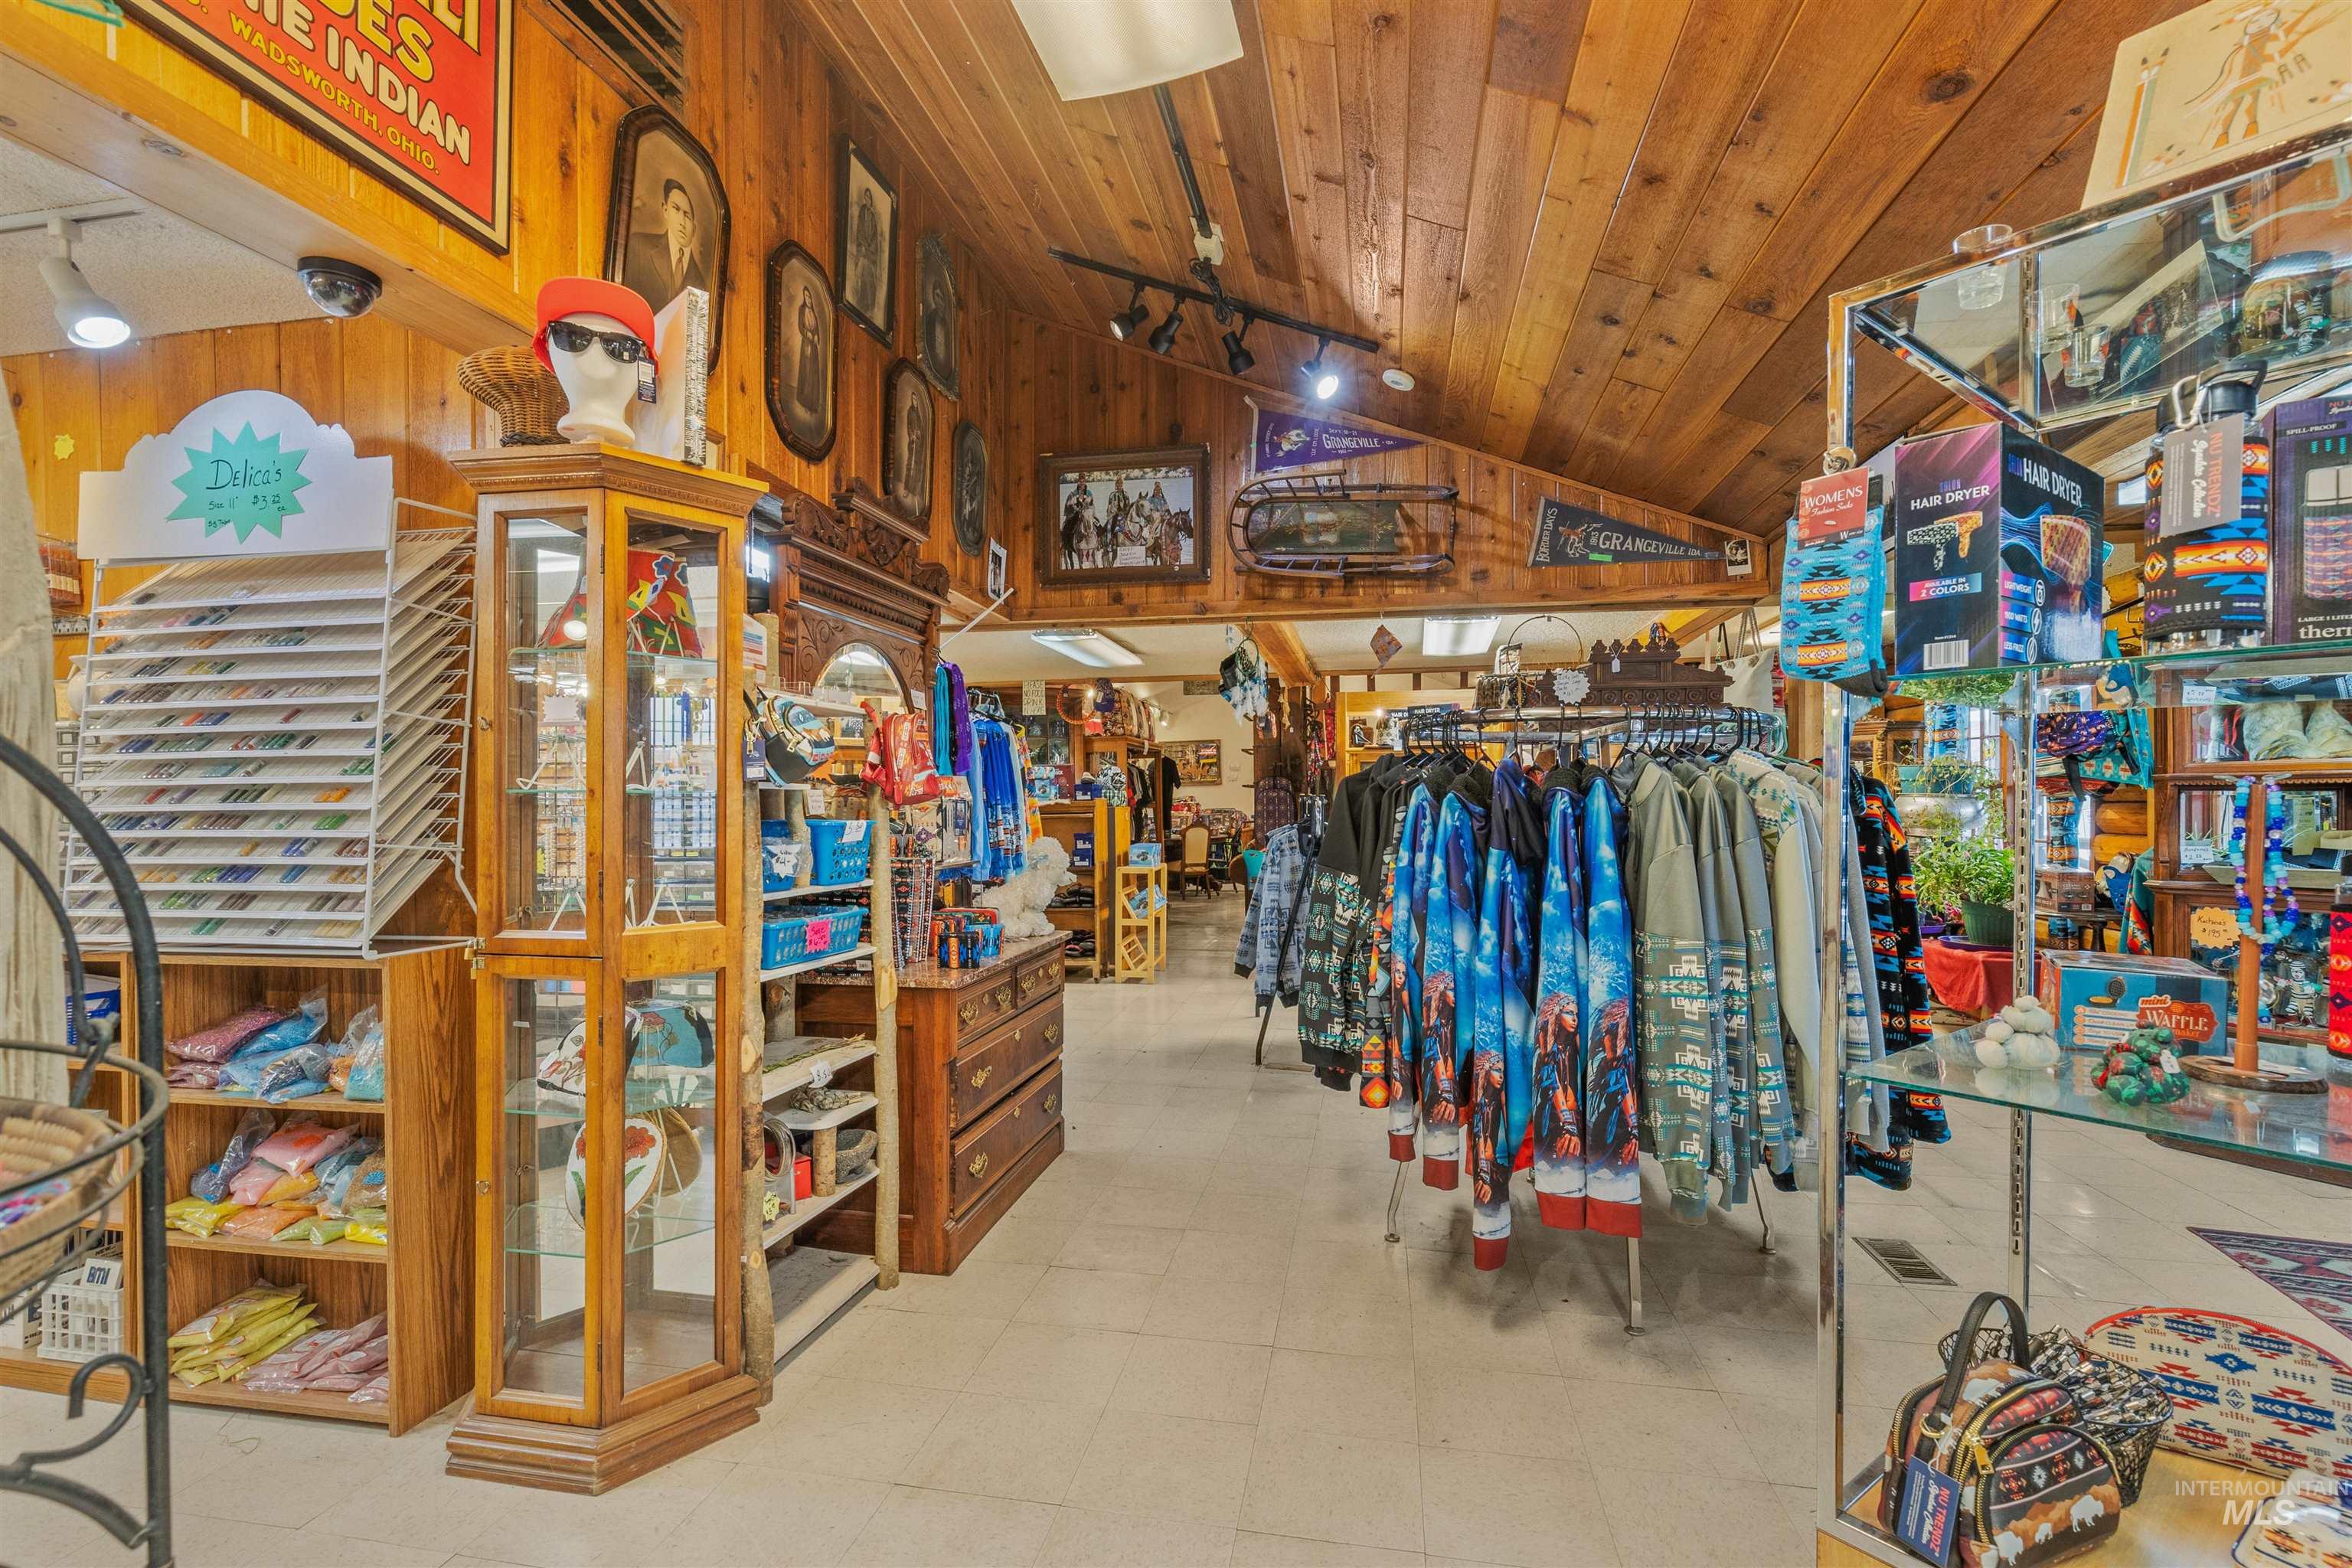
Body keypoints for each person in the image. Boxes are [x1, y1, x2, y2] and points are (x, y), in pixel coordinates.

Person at [622, 177, 707, 315]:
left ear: (694, 228)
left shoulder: (700, 284)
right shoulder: (638, 246)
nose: (682, 222)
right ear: (665, 210)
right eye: (676, 209)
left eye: (687, 216)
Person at [792, 282, 824, 420]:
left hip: (814, 348)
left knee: (813, 375)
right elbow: (801, 327)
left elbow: (817, 329)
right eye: (806, 297)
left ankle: (812, 403)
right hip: (806, 345)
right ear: (804, 298)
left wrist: (816, 335)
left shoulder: (814, 313)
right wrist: (808, 334)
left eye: (810, 297)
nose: (809, 299)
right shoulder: (802, 310)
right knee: (806, 372)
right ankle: (804, 400)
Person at [851, 186, 882, 316]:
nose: (867, 199)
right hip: (863, 249)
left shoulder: (873, 217)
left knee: (870, 273)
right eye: (865, 197)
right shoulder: (862, 211)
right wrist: (862, 246)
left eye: (869, 197)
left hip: (871, 252)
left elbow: (875, 237)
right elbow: (860, 230)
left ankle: (870, 304)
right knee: (863, 274)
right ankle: (863, 303)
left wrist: (869, 250)